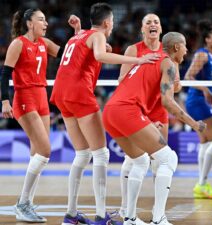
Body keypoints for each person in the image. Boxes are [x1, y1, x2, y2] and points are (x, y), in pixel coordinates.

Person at [49, 3, 158, 225]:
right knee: (101, 154)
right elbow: (99, 55)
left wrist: (82, 33)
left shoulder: (77, 37)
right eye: (112, 23)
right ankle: (100, 216)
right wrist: (137, 60)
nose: (112, 27)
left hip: (60, 93)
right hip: (78, 92)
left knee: (82, 154)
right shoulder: (97, 36)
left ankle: (70, 214)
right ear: (107, 23)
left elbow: (85, 51)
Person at [103, 32, 206, 225]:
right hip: (127, 111)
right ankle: (159, 218)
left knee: (141, 161)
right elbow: (167, 102)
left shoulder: (149, 59)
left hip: (111, 111)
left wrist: (145, 122)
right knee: (169, 159)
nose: (186, 51)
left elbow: (135, 90)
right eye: (185, 46)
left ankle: (130, 218)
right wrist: (194, 124)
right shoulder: (167, 62)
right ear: (176, 47)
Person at [1, 8, 80, 223]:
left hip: (41, 96)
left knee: (37, 153)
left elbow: (68, 53)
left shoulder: (44, 43)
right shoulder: (18, 44)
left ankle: (26, 204)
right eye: (41, 20)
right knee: (45, 151)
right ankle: (22, 203)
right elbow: (5, 73)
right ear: (29, 23)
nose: (46, 23)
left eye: (46, 19)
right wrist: (5, 101)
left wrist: (78, 31)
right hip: (25, 97)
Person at [116, 13, 168, 218]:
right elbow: (121, 79)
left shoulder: (167, 51)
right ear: (142, 29)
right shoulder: (133, 49)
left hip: (159, 110)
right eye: (149, 22)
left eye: (156, 22)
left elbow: (176, 84)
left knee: (160, 161)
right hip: (136, 109)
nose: (153, 24)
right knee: (132, 159)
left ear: (161, 29)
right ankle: (125, 208)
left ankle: (158, 212)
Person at [184, 20, 212, 199]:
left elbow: (209, 83)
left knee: (206, 143)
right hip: (197, 100)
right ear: (208, 39)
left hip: (199, 100)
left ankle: (201, 185)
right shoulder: (202, 54)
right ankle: (201, 183)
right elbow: (188, 77)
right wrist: (207, 90)